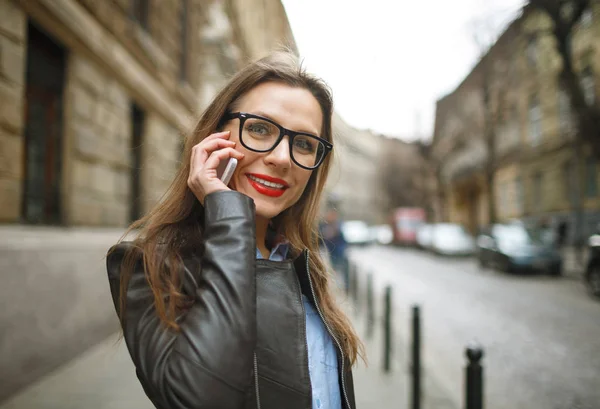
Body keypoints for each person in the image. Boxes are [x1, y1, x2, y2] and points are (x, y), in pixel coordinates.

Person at [106, 51, 364, 409]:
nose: (282, 158)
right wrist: (225, 211)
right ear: (214, 137)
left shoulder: (304, 266)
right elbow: (198, 399)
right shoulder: (150, 265)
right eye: (259, 128)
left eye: (304, 143)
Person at [319, 207, 348, 289]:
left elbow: (342, 239)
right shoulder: (325, 225)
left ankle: (343, 286)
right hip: (331, 251)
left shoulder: (338, 225)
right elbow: (322, 238)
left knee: (340, 269)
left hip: (339, 250)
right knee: (334, 268)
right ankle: (338, 285)